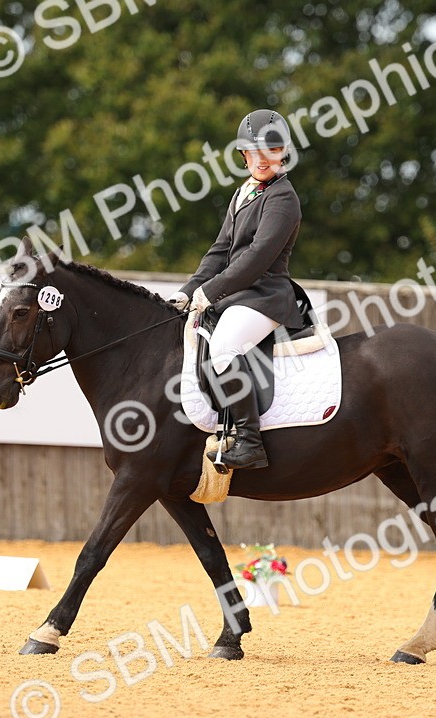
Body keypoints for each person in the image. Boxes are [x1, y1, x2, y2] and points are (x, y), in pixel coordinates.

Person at [167, 109, 305, 470]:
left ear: (283, 152)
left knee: (224, 344)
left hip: (266, 296)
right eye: (254, 152)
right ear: (244, 155)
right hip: (239, 294)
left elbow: (258, 256)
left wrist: (211, 292)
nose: (262, 160)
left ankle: (249, 441)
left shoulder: (283, 198)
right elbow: (220, 251)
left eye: (271, 151)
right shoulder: (244, 193)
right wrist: (189, 290)